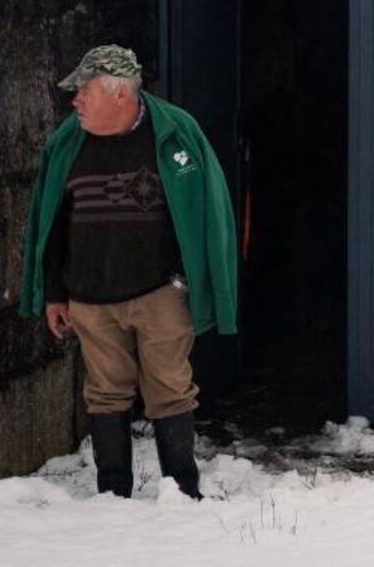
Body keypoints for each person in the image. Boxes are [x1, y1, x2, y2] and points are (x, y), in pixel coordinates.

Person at [18, 45, 238, 500]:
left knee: (170, 388)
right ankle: (113, 494)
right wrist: (55, 293)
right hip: (90, 297)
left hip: (160, 293)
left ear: (118, 94)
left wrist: (186, 281)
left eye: (84, 92)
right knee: (105, 392)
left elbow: (206, 210)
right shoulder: (67, 144)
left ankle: (182, 490)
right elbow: (51, 224)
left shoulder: (175, 132)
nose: (76, 101)